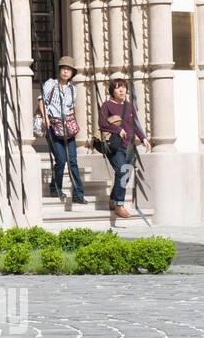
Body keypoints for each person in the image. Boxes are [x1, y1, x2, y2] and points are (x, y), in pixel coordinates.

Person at [99, 77, 149, 218]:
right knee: (122, 171)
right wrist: (117, 130)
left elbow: (135, 124)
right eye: (117, 87)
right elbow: (102, 124)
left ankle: (113, 199)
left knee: (125, 174)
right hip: (115, 145)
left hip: (130, 145)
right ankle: (119, 205)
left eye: (123, 87)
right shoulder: (107, 105)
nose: (121, 90)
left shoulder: (129, 106)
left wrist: (143, 138)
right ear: (112, 91)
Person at [40, 55, 87, 204]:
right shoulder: (51, 84)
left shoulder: (73, 89)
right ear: (59, 70)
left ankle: (78, 194)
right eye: (64, 69)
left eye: (69, 70)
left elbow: (70, 108)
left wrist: (72, 119)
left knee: (72, 160)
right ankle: (56, 187)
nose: (66, 72)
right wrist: (45, 118)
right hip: (53, 125)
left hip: (67, 127)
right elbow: (41, 100)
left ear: (72, 73)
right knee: (60, 160)